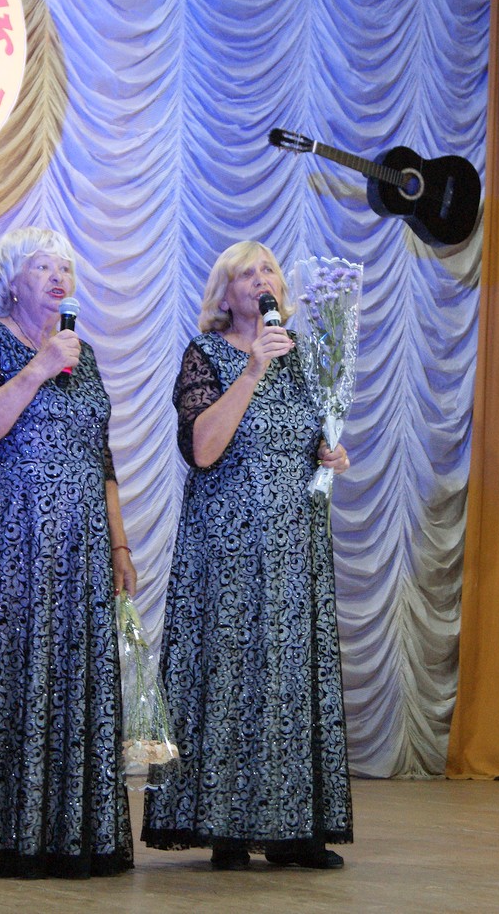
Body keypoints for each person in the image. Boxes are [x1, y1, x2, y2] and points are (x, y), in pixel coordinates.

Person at [0, 227, 138, 879]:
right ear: (12, 282)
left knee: (72, 682)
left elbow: (101, 458)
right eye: (42, 266)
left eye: (64, 268)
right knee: (13, 675)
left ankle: (70, 835)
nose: (57, 276)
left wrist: (119, 542)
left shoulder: (86, 355)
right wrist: (38, 368)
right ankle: (2, 836)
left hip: (81, 553)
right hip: (12, 549)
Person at [141, 240, 354, 871]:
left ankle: (294, 830)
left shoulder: (307, 356)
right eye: (246, 274)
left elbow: (315, 439)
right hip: (226, 547)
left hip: (294, 547)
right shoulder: (205, 354)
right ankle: (226, 828)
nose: (261, 280)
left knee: (289, 679)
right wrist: (253, 368)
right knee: (230, 675)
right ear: (226, 295)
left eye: (269, 271)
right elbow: (203, 449)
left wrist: (331, 455)